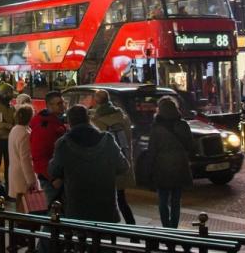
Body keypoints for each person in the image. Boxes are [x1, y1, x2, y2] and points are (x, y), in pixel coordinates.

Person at [47, 104, 128, 223]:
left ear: (69, 122)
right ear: (88, 119)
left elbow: (54, 171)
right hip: (106, 211)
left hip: (77, 211)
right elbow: (123, 166)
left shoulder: (64, 144)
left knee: (80, 240)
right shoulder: (108, 140)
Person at [142, 96, 193, 228]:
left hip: (161, 168)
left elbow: (151, 152)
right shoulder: (183, 125)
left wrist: (148, 172)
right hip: (179, 166)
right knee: (176, 201)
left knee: (163, 200)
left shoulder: (156, 129)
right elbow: (191, 146)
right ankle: (174, 227)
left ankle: (166, 227)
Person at [90, 89, 136, 225]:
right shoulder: (122, 117)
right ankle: (133, 232)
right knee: (121, 200)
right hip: (122, 162)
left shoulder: (97, 121)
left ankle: (109, 231)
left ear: (96, 101)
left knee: (106, 203)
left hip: (105, 167)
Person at [29, 91, 67, 208]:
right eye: (59, 104)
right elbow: (39, 155)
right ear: (49, 106)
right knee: (52, 212)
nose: (63, 106)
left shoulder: (55, 122)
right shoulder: (44, 126)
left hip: (57, 175)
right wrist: (53, 178)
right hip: (52, 178)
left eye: (63, 103)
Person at [8, 104, 40, 209]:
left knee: (19, 206)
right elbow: (26, 159)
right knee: (29, 208)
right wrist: (31, 180)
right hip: (23, 176)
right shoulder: (25, 133)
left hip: (15, 173)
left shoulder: (14, 130)